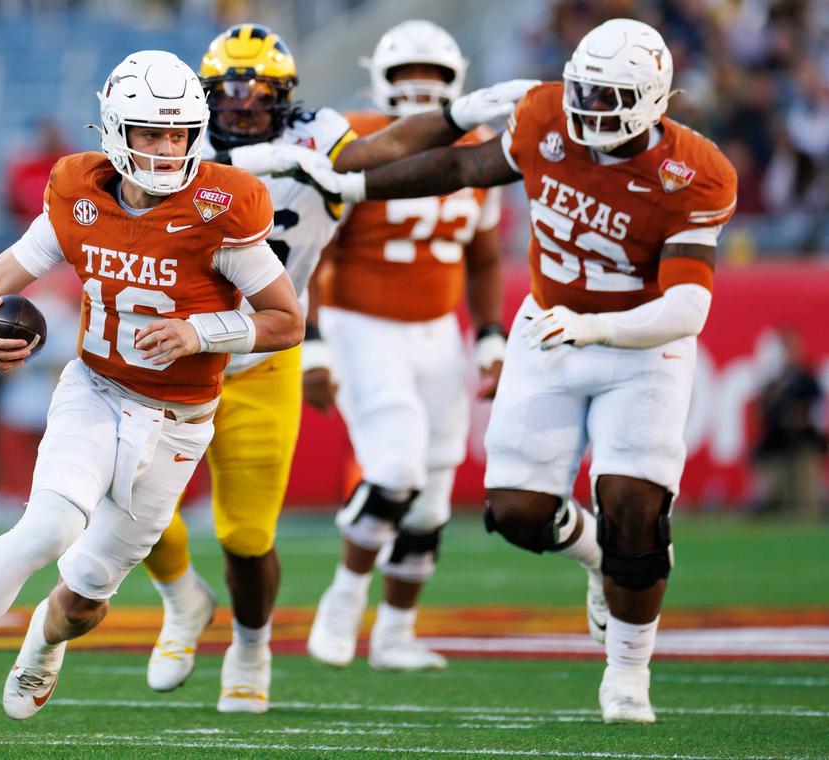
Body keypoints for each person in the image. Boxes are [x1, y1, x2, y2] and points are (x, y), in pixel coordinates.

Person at [296, 18, 737, 724]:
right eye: (583, 89)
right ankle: (600, 556)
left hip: (640, 343)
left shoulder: (696, 172)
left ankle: (627, 675)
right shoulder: (544, 115)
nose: (589, 107)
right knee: (516, 513)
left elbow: (686, 307)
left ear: (654, 99)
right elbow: (464, 168)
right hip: (551, 329)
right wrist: (359, 186)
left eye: (610, 95)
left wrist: (595, 326)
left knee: (634, 505)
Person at [0, 50, 302, 727]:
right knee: (47, 527)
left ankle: (43, 637)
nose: (165, 149)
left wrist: (200, 334)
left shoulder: (221, 204)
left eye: (178, 133)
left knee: (86, 599)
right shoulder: (79, 191)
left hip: (181, 419)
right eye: (149, 133)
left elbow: (285, 320)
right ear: (114, 129)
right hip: (95, 390)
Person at [136, 23, 356, 713]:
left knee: (247, 535)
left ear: (285, 94)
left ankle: (253, 648)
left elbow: (387, 155)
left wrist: (450, 122)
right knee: (124, 502)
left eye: (259, 89)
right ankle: (181, 601)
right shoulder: (173, 142)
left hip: (259, 355)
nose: (242, 102)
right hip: (173, 355)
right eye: (229, 88)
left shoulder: (321, 139)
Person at [305, 19, 506, 673]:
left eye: (434, 78)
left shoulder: (476, 149)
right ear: (380, 81)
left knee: (435, 495)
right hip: (360, 324)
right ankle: (344, 596)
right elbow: (310, 251)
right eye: (406, 77)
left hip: (436, 332)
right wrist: (311, 343)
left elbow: (482, 258)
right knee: (394, 469)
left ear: (456, 84)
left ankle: (395, 633)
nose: (420, 90)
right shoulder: (356, 139)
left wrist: (488, 333)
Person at [754, 328, 826, 519]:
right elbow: (763, 414)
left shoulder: (806, 380)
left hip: (803, 444)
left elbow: (817, 411)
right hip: (778, 446)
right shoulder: (773, 383)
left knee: (806, 498)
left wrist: (801, 419)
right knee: (777, 498)